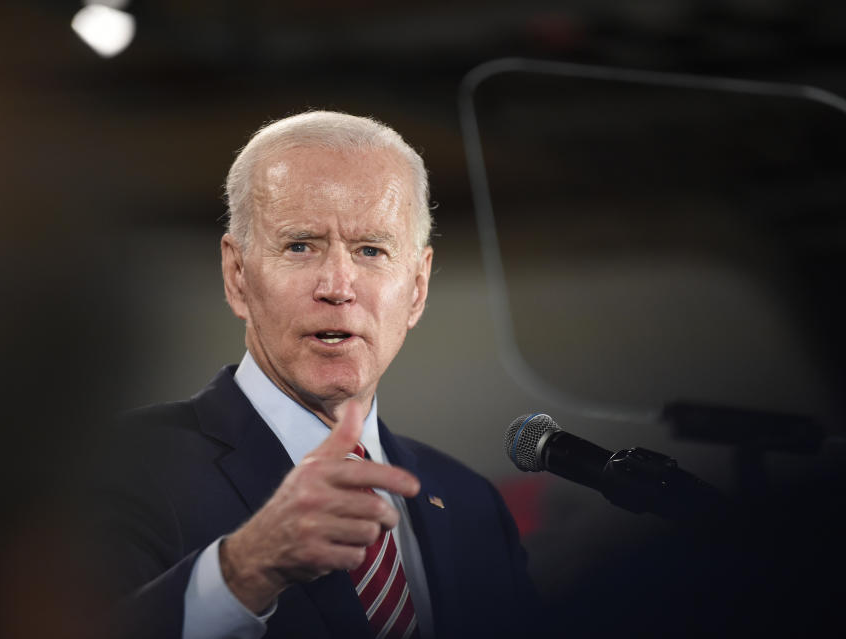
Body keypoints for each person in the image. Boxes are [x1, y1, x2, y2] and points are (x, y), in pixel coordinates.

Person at [93, 111, 539, 639]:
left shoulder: (471, 504)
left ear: (417, 289)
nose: (337, 285)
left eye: (371, 250)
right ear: (237, 275)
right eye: (301, 245)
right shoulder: (118, 465)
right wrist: (244, 570)